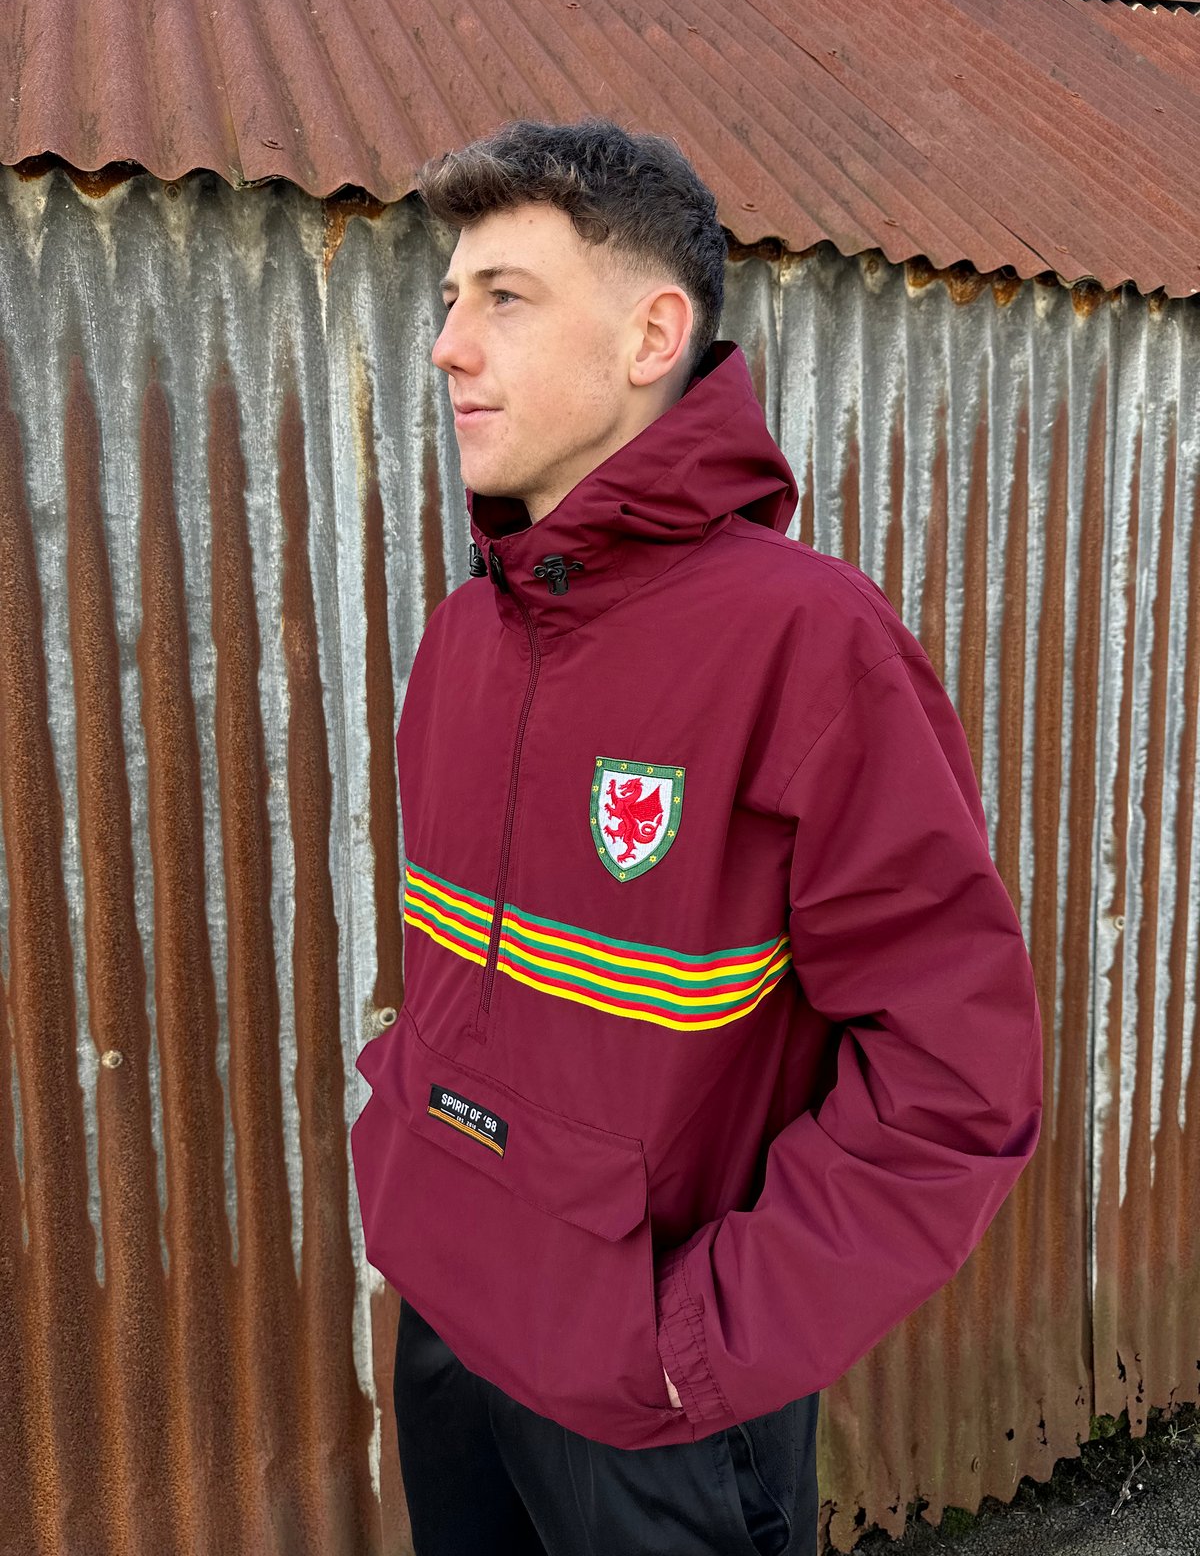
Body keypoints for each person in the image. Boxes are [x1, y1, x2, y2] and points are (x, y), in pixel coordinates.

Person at [350, 118, 1043, 1556]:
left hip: (649, 1407)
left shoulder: (807, 642)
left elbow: (956, 1081)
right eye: (450, 300)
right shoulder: (466, 635)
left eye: (504, 298)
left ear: (652, 335)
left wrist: (695, 1348)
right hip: (454, 1329)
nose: (448, 347)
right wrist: (406, 1174)